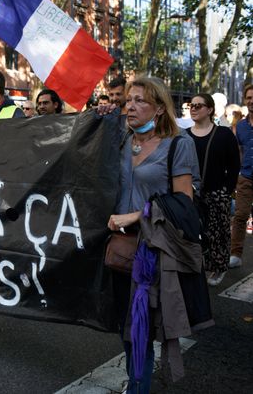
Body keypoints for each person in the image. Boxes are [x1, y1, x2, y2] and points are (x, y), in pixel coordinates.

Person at [106, 76, 199, 393]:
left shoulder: (179, 144)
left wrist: (137, 214)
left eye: (139, 101)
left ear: (159, 108)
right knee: (125, 326)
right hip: (119, 249)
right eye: (128, 100)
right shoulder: (120, 138)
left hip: (152, 250)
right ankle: (135, 381)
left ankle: (137, 387)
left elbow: (184, 202)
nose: (130, 106)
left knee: (140, 329)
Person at [186, 93, 240, 286]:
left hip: (217, 192)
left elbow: (234, 165)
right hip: (191, 193)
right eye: (191, 105)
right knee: (193, 231)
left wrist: (226, 190)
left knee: (218, 231)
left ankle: (218, 267)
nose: (193, 108)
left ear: (209, 110)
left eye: (199, 105)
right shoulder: (185, 135)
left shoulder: (224, 134)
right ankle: (196, 265)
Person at [230, 83, 253, 269]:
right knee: (240, 216)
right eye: (249, 98)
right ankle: (235, 254)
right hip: (245, 177)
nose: (251, 101)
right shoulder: (241, 126)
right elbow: (236, 151)